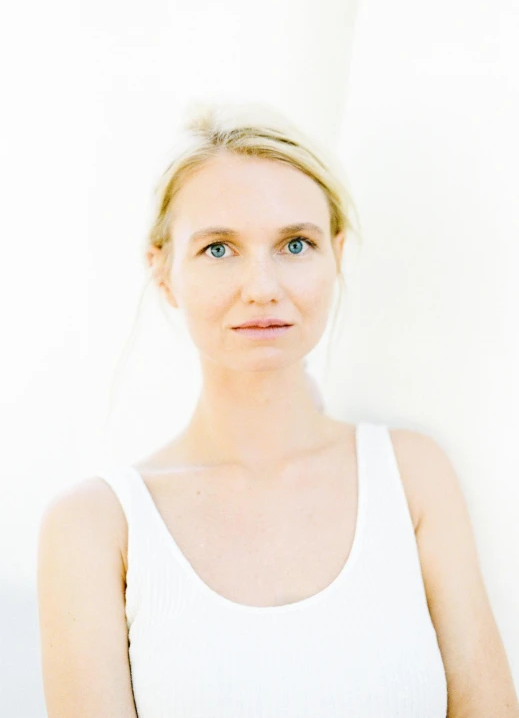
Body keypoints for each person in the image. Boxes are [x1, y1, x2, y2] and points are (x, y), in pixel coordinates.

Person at [37, 101, 519, 718]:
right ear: (162, 272)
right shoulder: (95, 527)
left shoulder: (412, 477)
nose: (262, 285)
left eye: (295, 243)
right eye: (218, 249)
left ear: (336, 255)